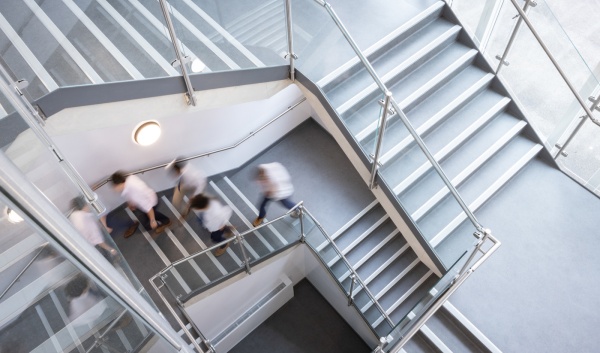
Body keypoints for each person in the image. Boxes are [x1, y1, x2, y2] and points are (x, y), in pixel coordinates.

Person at [111, 171, 171, 237]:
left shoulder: (135, 192)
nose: (114, 189)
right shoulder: (130, 179)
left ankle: (164, 222)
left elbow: (148, 207)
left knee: (147, 224)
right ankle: (164, 220)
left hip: (151, 203)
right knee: (150, 214)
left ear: (118, 184)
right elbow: (129, 194)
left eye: (115, 186)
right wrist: (131, 203)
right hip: (149, 198)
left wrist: (152, 220)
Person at [69, 196, 118, 261]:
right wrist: (110, 249)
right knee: (106, 260)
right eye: (87, 204)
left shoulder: (74, 215)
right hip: (94, 247)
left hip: (82, 248)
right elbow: (98, 241)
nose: (89, 206)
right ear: (84, 206)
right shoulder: (86, 219)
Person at [252, 162, 297, 227]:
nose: (261, 179)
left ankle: (297, 209)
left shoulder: (274, 180)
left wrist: (269, 192)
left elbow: (275, 192)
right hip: (270, 191)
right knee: (262, 205)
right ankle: (261, 216)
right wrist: (266, 191)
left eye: (262, 177)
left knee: (286, 204)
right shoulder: (264, 169)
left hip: (281, 192)